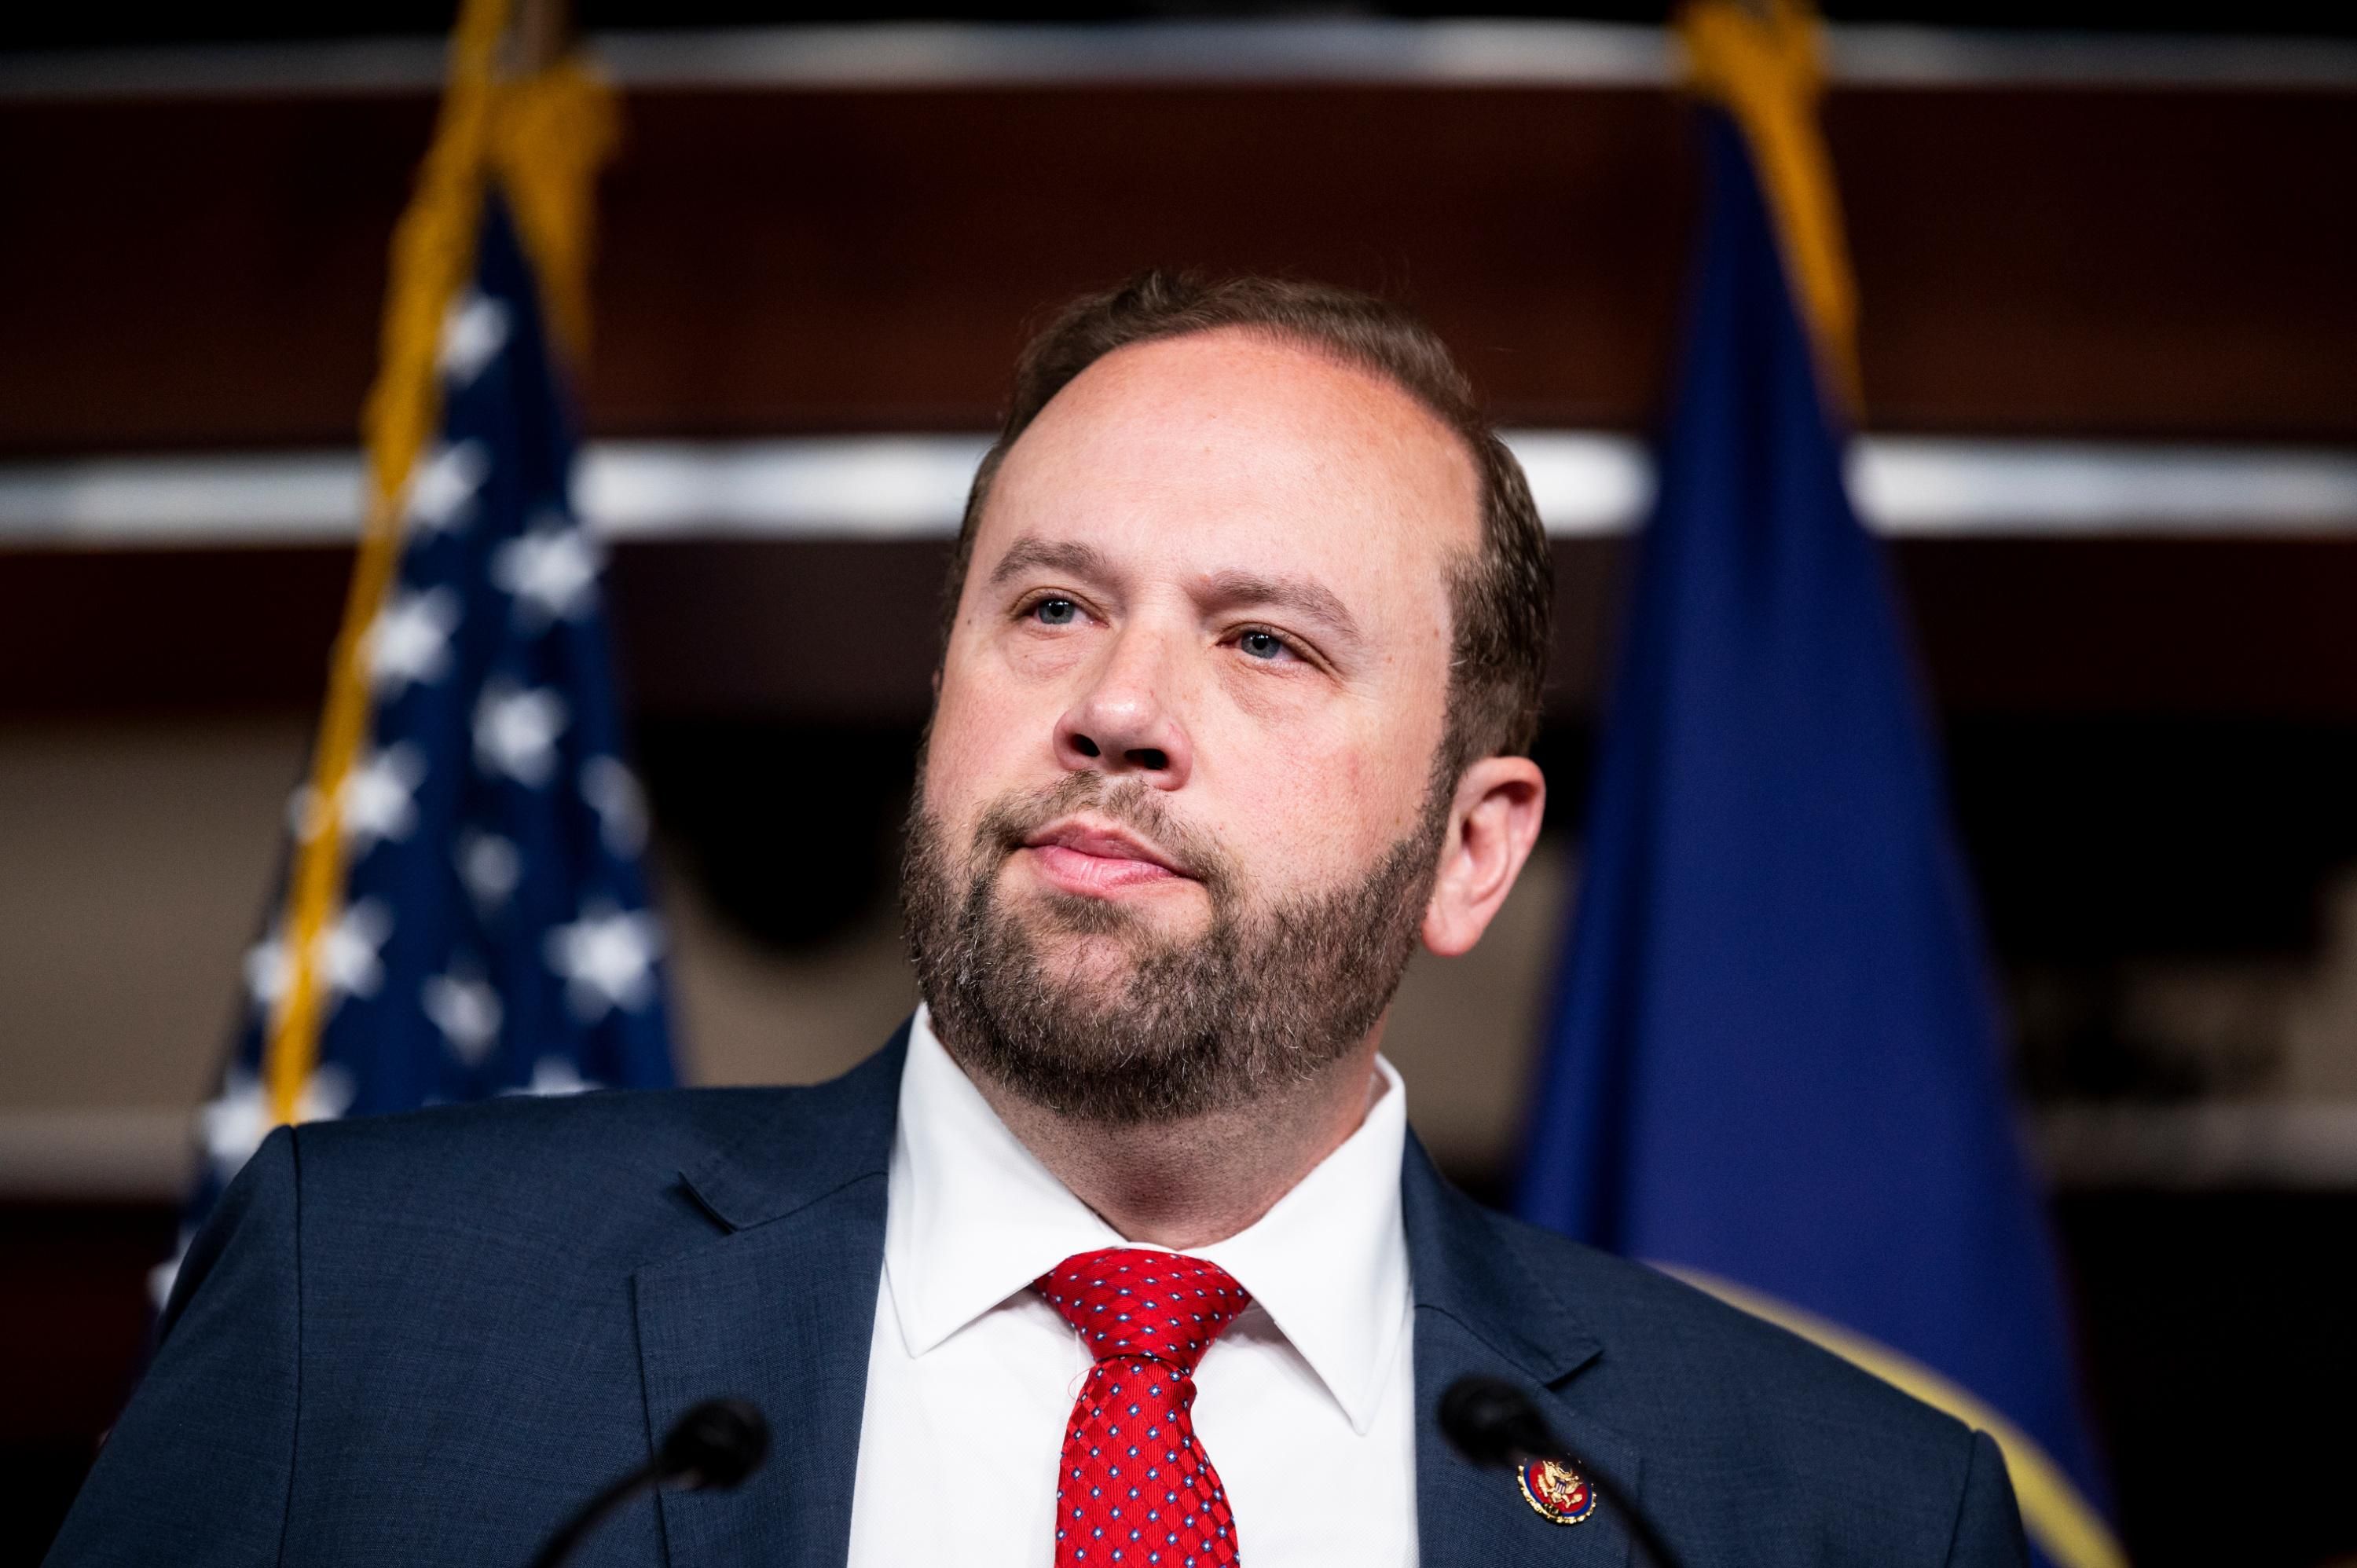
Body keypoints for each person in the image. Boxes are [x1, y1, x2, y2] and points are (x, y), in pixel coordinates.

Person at [47, 273, 2025, 1567]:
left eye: (1265, 640)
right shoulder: (373, 1316)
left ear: (1472, 850)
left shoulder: (1831, 1508)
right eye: (1053, 605)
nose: (1119, 705)